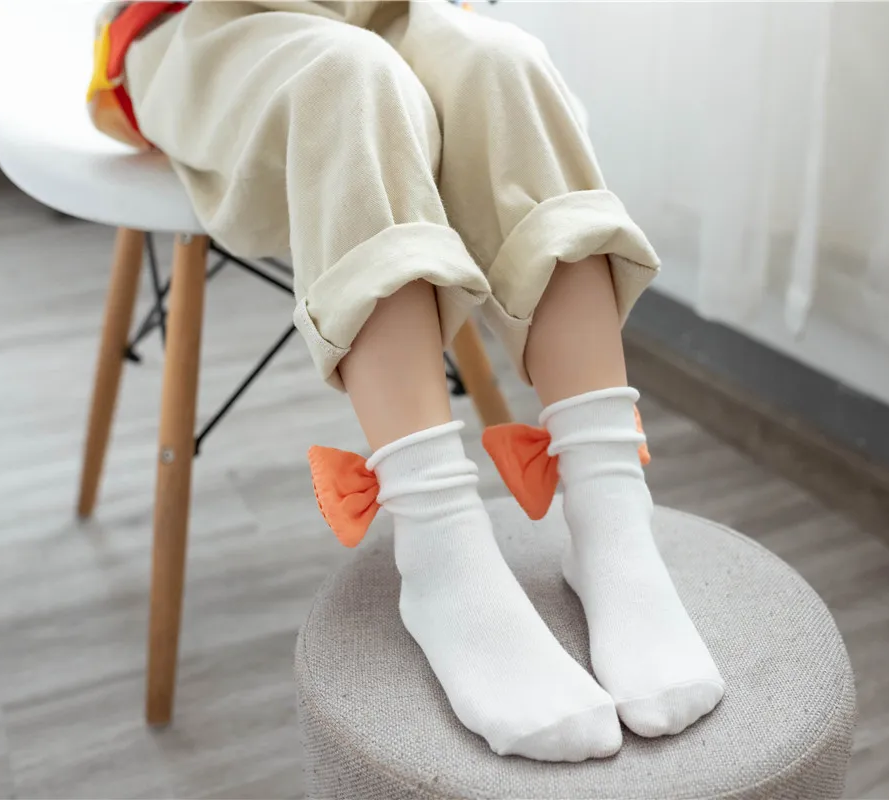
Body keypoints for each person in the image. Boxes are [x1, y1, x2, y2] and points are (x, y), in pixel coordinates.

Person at [90, 0, 723, 762]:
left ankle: (610, 512)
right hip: (202, 21)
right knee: (347, 81)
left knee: (505, 66)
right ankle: (439, 548)